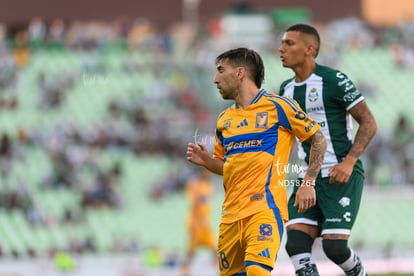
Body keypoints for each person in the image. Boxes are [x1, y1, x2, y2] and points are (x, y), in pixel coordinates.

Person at [186, 47, 327, 276]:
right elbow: (227, 167)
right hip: (231, 216)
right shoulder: (224, 120)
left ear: (240, 73)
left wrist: (308, 182)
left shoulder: (279, 107)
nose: (215, 79)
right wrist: (207, 162)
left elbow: (318, 140)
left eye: (221, 71)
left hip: (265, 208)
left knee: (257, 272)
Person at [278, 24, 378, 276]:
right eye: (282, 43)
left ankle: (359, 272)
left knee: (334, 247)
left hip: (340, 175)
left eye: (289, 43)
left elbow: (368, 122)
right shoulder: (285, 90)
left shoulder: (333, 80)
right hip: (307, 179)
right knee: (296, 243)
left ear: (310, 49)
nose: (281, 49)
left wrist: (349, 161)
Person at [182, 168, 217, 275]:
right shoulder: (195, 185)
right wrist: (197, 221)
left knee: (214, 248)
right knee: (191, 250)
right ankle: (185, 270)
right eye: (207, 171)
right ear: (202, 172)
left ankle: (219, 269)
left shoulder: (208, 185)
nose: (210, 174)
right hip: (197, 224)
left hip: (205, 223)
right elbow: (195, 204)